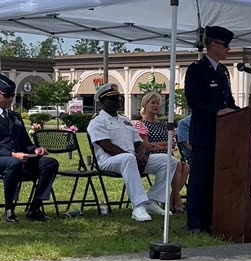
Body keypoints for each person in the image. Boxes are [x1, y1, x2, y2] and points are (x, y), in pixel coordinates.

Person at [87, 83, 176, 222]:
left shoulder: (125, 120)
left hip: (131, 159)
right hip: (109, 160)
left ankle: (152, 201)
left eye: (119, 98)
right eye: (113, 99)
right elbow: (106, 146)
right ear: (102, 101)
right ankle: (138, 206)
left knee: (169, 160)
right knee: (128, 158)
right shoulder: (97, 122)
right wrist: (134, 157)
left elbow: (138, 142)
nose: (118, 101)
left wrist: (142, 155)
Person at [184, 26, 240, 233]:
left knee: (216, 179)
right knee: (199, 179)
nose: (229, 50)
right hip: (204, 134)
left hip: (223, 135)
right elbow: (194, 101)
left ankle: (211, 219)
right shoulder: (196, 69)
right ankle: (195, 223)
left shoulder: (224, 71)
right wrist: (218, 111)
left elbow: (230, 101)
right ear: (214, 45)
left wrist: (240, 112)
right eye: (226, 46)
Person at [0, 74, 58, 222]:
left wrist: (35, 150)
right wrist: (13, 154)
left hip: (21, 158)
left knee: (50, 163)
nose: (10, 98)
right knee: (14, 163)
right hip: (5, 159)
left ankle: (35, 207)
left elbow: (25, 142)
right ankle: (9, 208)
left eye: (12, 95)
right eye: (7, 95)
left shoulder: (15, 117)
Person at [137, 92, 189, 213]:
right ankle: (176, 201)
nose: (156, 106)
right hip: (151, 158)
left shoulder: (163, 125)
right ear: (145, 104)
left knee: (185, 167)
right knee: (177, 165)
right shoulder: (141, 125)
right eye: (153, 103)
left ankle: (172, 199)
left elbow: (172, 144)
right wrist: (165, 145)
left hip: (168, 157)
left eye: (158, 104)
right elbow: (147, 146)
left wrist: (162, 145)